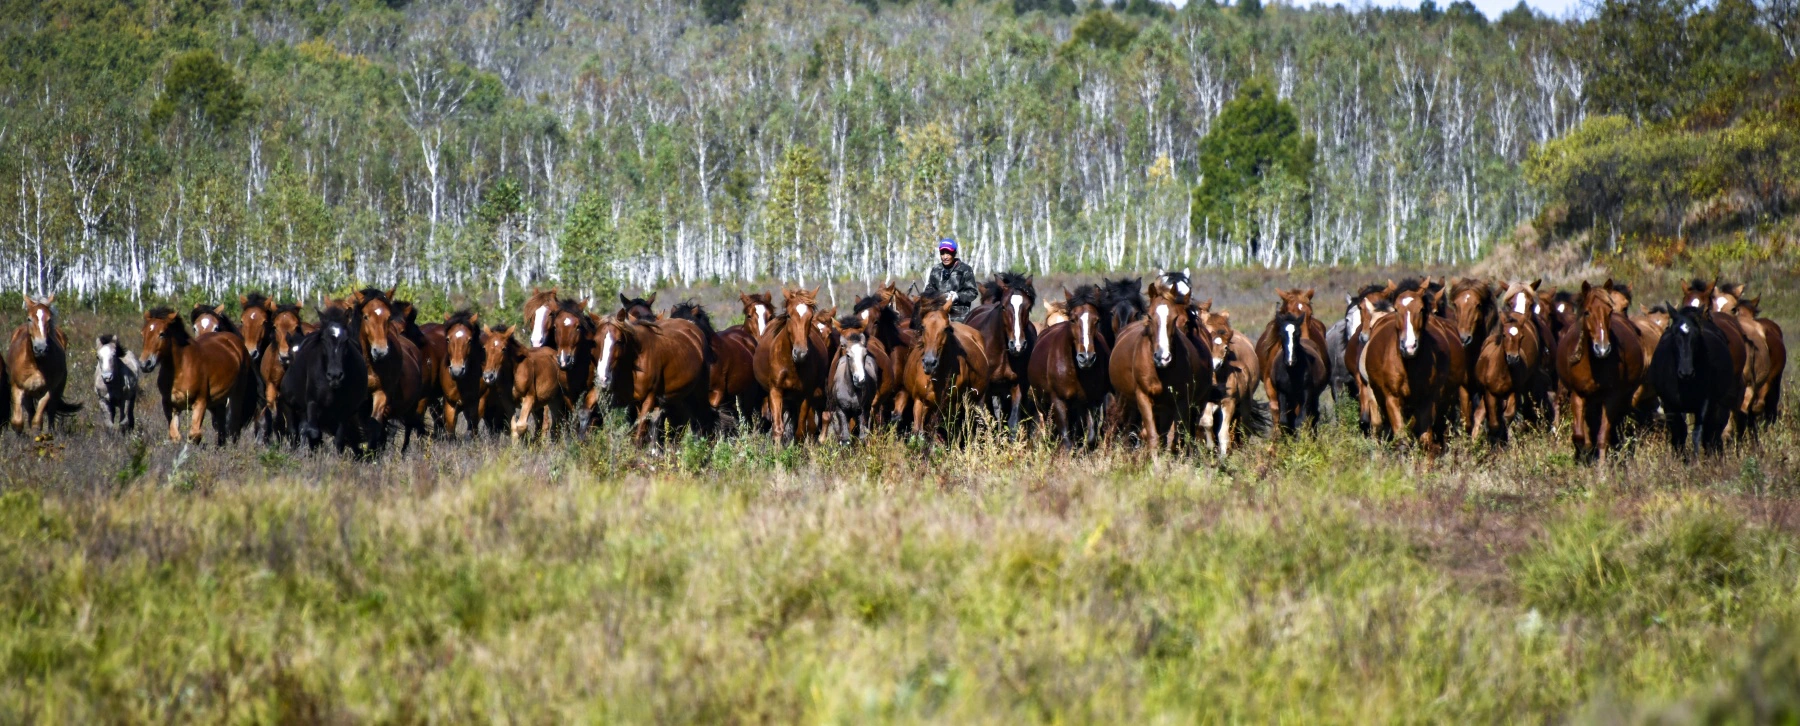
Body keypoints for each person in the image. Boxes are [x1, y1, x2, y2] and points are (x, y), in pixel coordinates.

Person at [921, 237, 979, 322]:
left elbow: (973, 292)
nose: (945, 257)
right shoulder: (936, 270)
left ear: (954, 253)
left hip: (960, 317)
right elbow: (929, 291)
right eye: (942, 253)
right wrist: (939, 297)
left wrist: (957, 297)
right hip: (938, 314)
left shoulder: (965, 269)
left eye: (948, 253)